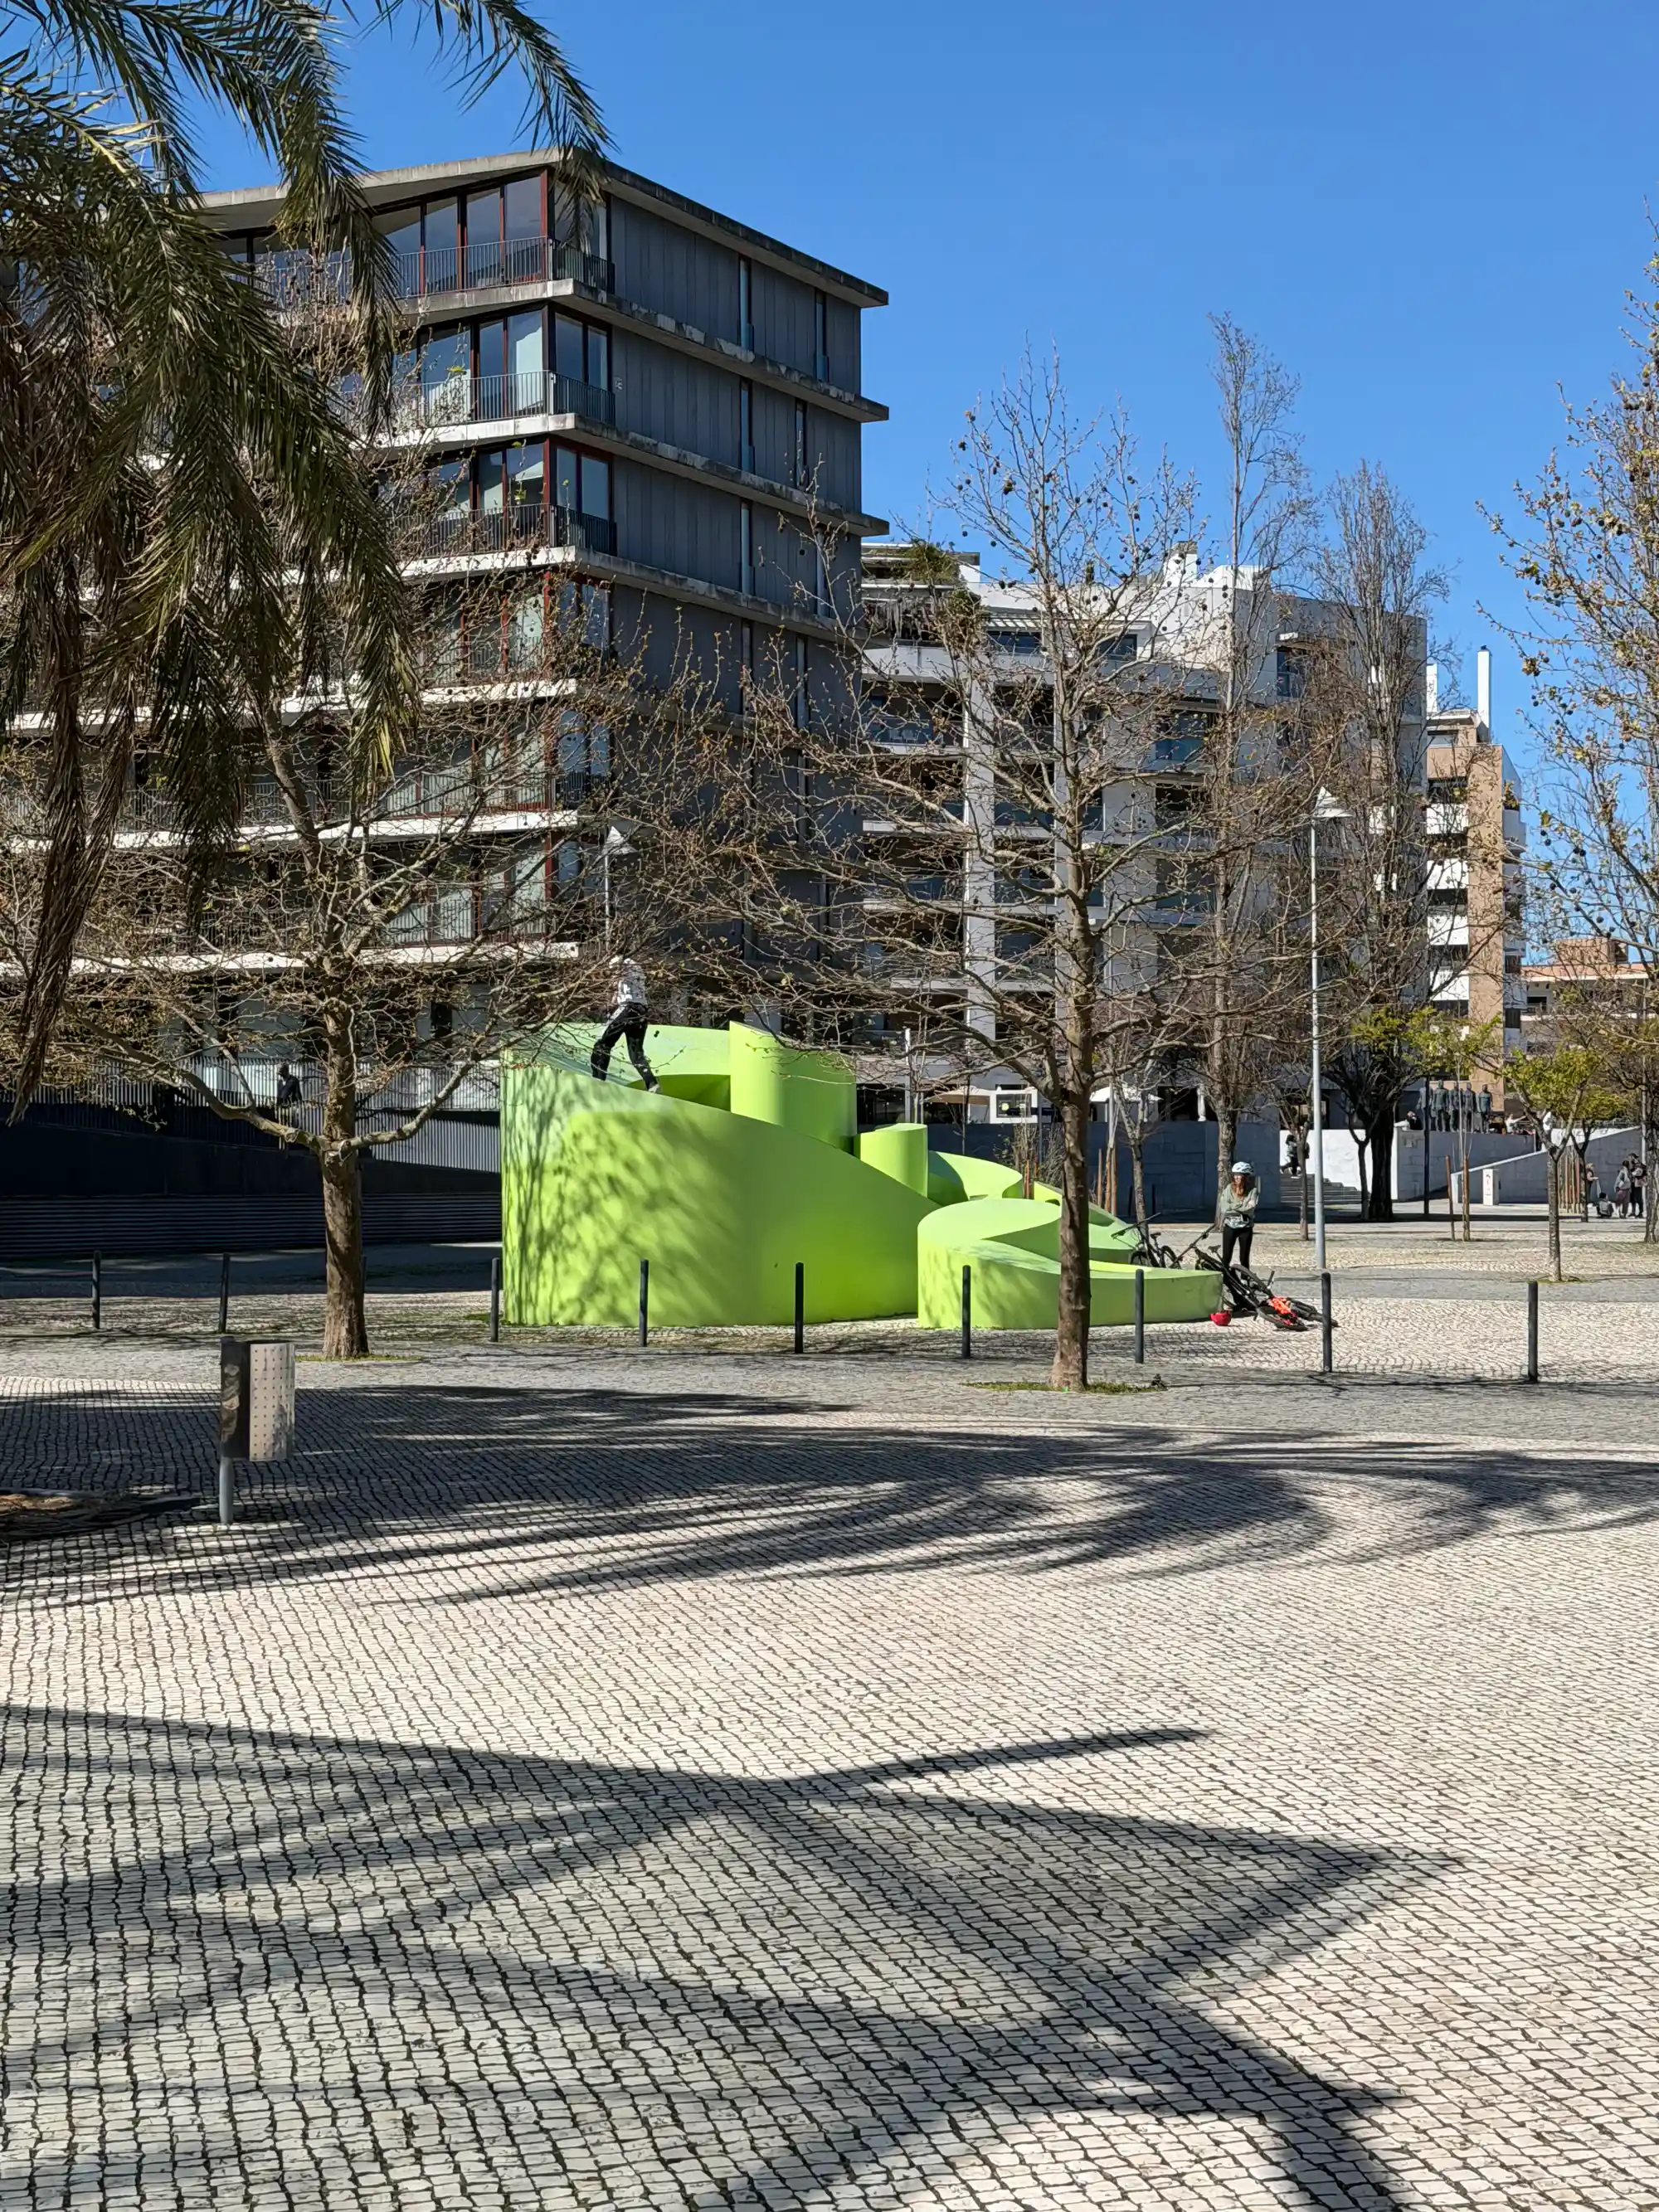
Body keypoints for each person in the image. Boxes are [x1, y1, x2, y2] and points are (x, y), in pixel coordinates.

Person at [591, 955, 659, 1090]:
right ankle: (651, 1083)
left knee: (602, 1045)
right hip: (642, 1011)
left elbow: (613, 966)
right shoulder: (638, 968)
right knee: (636, 1053)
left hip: (628, 1008)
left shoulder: (623, 962)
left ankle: (598, 1082)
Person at [1220, 1160, 1259, 1306]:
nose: (1238, 1179)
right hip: (1230, 1226)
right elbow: (1224, 1209)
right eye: (1236, 1176)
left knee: (1244, 1256)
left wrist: (1234, 1207)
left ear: (1247, 1177)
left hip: (1246, 1227)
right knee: (1226, 1256)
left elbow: (1250, 1208)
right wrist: (1240, 1207)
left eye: (1241, 1176)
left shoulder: (1253, 1190)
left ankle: (1245, 1281)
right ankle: (1225, 1278)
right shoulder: (1228, 1190)